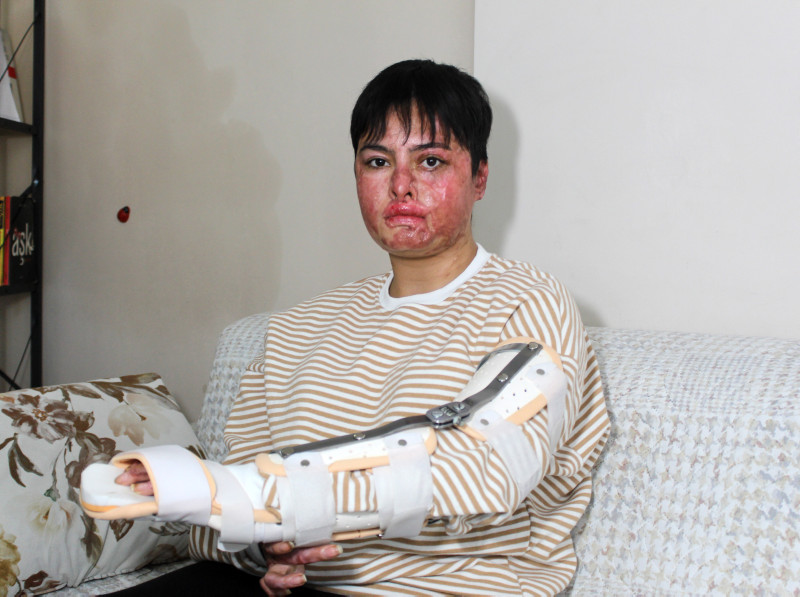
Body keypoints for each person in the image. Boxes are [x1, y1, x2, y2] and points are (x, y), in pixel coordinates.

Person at [108, 59, 609, 596]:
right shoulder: (295, 329)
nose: (401, 185)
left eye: (431, 161)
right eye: (377, 161)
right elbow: (220, 510)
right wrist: (264, 546)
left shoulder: (530, 303)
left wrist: (272, 501)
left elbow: (490, 466)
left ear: (479, 178)